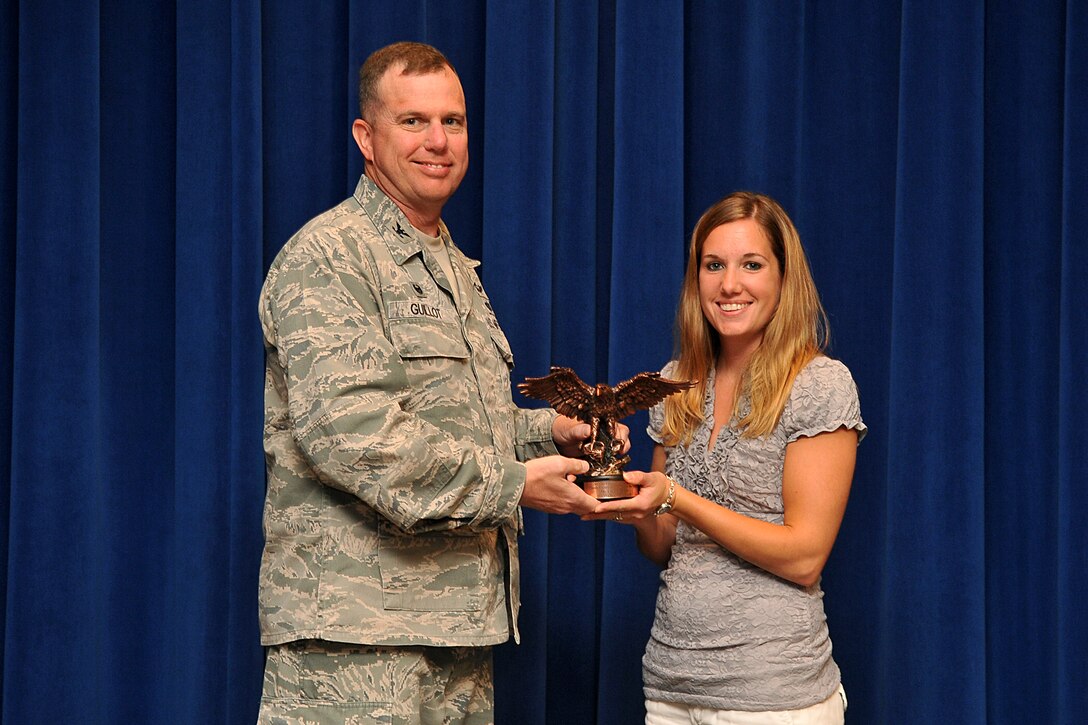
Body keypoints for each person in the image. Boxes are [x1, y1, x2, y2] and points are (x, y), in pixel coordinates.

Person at [256, 41, 611, 724]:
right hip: (355, 646)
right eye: (413, 121)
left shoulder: (451, 265)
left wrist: (551, 434)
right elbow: (358, 439)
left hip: (457, 635)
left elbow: (465, 425)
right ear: (366, 135)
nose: (438, 141)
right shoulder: (330, 257)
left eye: (453, 121)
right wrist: (514, 483)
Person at [586, 192, 866, 724]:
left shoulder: (818, 384)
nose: (729, 284)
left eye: (751, 265)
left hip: (773, 694)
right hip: (671, 688)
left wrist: (675, 497)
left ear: (784, 278)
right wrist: (630, 502)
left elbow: (805, 557)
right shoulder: (674, 382)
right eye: (713, 265)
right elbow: (666, 545)